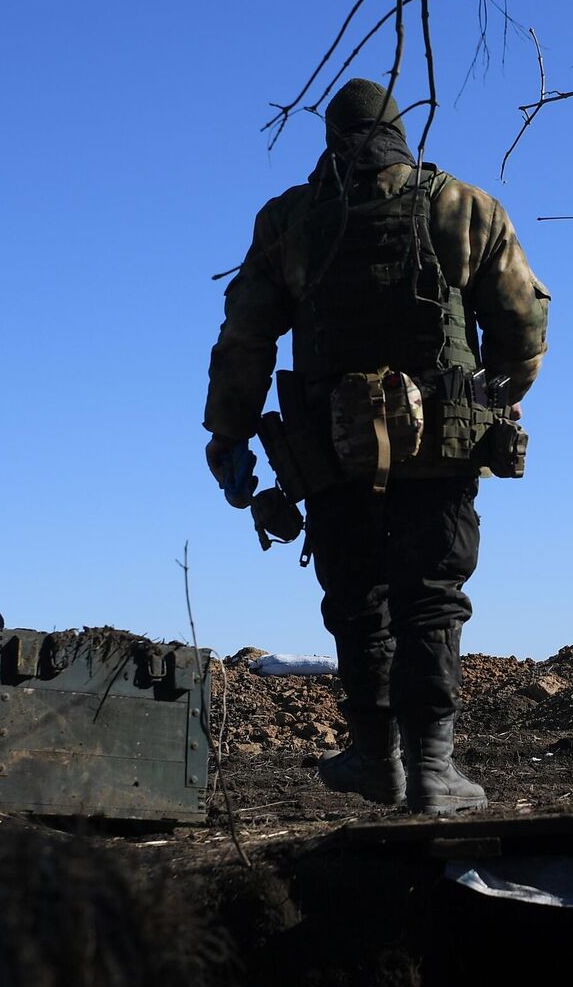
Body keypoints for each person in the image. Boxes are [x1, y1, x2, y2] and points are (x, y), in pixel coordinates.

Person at [203, 78, 550, 815]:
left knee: (358, 598)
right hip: (443, 447)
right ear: (399, 133)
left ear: (332, 139)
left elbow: (245, 339)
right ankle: (433, 769)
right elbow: (522, 324)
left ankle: (376, 758)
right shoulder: (462, 207)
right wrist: (495, 394)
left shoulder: (292, 222)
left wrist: (228, 436)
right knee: (432, 597)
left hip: (336, 447)